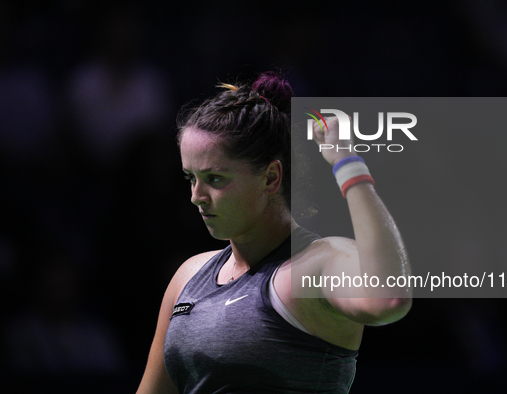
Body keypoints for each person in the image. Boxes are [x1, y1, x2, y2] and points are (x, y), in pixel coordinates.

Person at [136, 72, 412, 394]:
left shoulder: (317, 264)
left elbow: (388, 298)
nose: (197, 196)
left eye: (215, 179)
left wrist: (346, 163)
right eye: (191, 178)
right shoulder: (188, 276)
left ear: (270, 178)